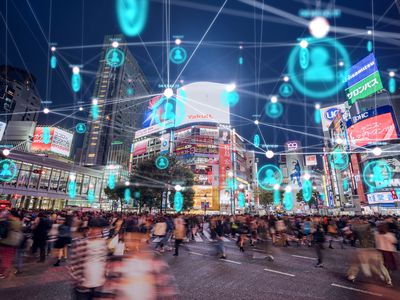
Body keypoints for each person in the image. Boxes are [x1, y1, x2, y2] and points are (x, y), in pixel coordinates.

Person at [69, 217, 109, 299]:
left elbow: (104, 261)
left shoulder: (103, 243)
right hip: (84, 286)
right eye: (95, 228)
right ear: (89, 228)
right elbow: (73, 263)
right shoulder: (81, 243)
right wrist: (79, 280)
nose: (98, 231)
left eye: (100, 229)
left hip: (99, 284)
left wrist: (105, 276)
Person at [0, 209, 22, 279]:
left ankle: (5, 273)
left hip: (8, 243)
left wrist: (2, 218)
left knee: (6, 259)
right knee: (6, 259)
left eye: (9, 214)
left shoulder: (11, 222)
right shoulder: (17, 221)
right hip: (11, 243)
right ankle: (9, 271)